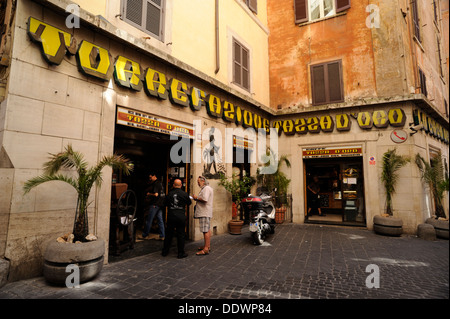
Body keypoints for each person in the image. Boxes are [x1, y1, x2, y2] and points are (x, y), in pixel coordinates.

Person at [162, 179, 191, 259]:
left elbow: (165, 204)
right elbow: (189, 203)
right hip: (181, 216)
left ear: (173, 185)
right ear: (181, 185)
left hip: (171, 216)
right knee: (181, 235)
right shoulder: (184, 194)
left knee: (169, 234)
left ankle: (165, 251)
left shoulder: (169, 194)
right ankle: (180, 253)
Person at [192, 176, 213, 255]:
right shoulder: (206, 188)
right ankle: (207, 246)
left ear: (203, 181)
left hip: (204, 212)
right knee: (207, 229)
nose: (198, 183)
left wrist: (196, 197)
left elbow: (204, 199)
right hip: (205, 212)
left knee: (205, 230)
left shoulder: (206, 188)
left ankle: (206, 249)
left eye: (198, 182)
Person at [141, 172, 165, 240]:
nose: (150, 178)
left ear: (154, 176)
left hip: (155, 204)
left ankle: (145, 235)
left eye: (150, 177)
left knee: (149, 219)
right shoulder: (161, 183)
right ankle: (162, 235)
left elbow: (156, 194)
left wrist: (149, 194)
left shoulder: (156, 183)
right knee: (160, 220)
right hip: (160, 204)